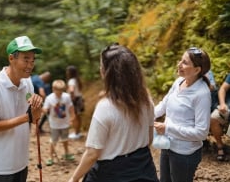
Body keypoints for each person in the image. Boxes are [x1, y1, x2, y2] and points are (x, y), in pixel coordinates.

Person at [68, 43, 159, 182]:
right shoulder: (146, 100)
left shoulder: (105, 107)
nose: (100, 69)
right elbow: (149, 139)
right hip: (143, 167)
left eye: (101, 66)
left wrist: (74, 178)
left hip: (111, 172)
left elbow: (93, 153)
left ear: (108, 73)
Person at [0, 36, 43, 182]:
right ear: (11, 58)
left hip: (21, 162)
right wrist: (27, 117)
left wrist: (37, 106)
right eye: (26, 59)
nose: (30, 65)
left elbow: (34, 119)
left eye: (33, 60)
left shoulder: (27, 83)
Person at [154, 47, 211, 182]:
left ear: (197, 70)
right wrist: (145, 116)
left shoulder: (201, 94)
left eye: (185, 63)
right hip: (167, 145)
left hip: (184, 154)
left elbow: (202, 133)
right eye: (181, 60)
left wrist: (167, 129)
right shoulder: (178, 82)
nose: (179, 64)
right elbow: (163, 105)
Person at [42, 79, 76, 166]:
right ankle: (51, 157)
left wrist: (73, 117)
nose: (60, 93)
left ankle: (67, 153)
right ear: (53, 89)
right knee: (53, 141)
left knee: (65, 139)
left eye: (61, 91)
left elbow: (71, 107)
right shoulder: (49, 98)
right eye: (58, 92)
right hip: (54, 124)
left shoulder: (67, 97)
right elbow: (45, 109)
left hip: (65, 123)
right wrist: (45, 109)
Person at [210, 73, 230, 161]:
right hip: (228, 107)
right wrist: (222, 103)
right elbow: (222, 89)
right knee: (214, 118)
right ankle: (220, 146)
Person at [66, 65, 84, 140]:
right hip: (79, 98)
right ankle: (78, 132)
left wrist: (71, 98)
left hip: (75, 100)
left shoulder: (71, 81)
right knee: (78, 116)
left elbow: (71, 90)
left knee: (75, 117)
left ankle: (76, 133)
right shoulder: (77, 80)